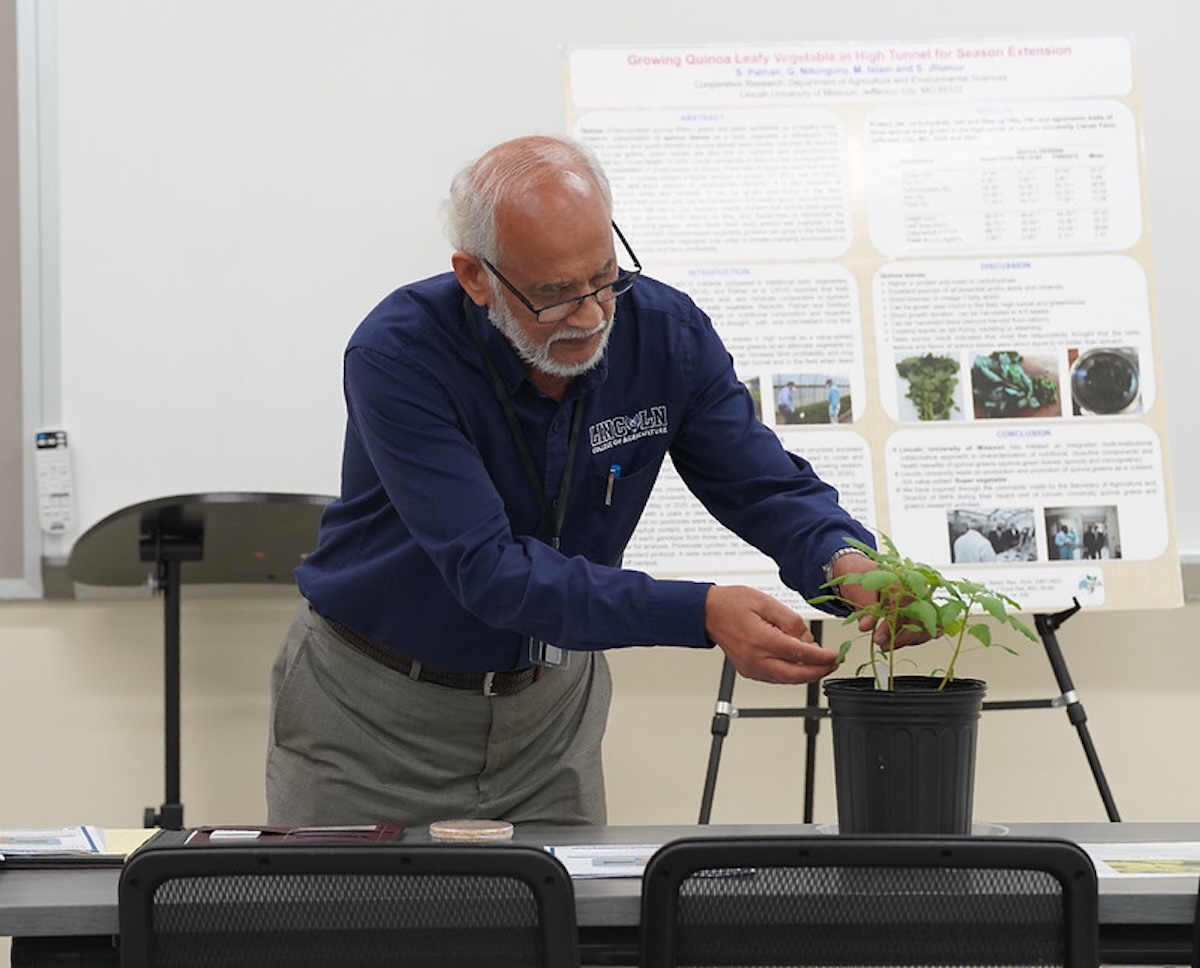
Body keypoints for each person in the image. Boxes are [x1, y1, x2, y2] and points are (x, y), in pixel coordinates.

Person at [265, 135, 927, 829]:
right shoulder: (400, 355)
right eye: (552, 294)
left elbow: (762, 484)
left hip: (550, 724)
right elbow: (489, 572)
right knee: (348, 931)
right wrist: (699, 611)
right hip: (371, 716)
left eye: (604, 277)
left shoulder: (665, 334)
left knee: (560, 932)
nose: (589, 314)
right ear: (475, 276)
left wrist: (846, 563)